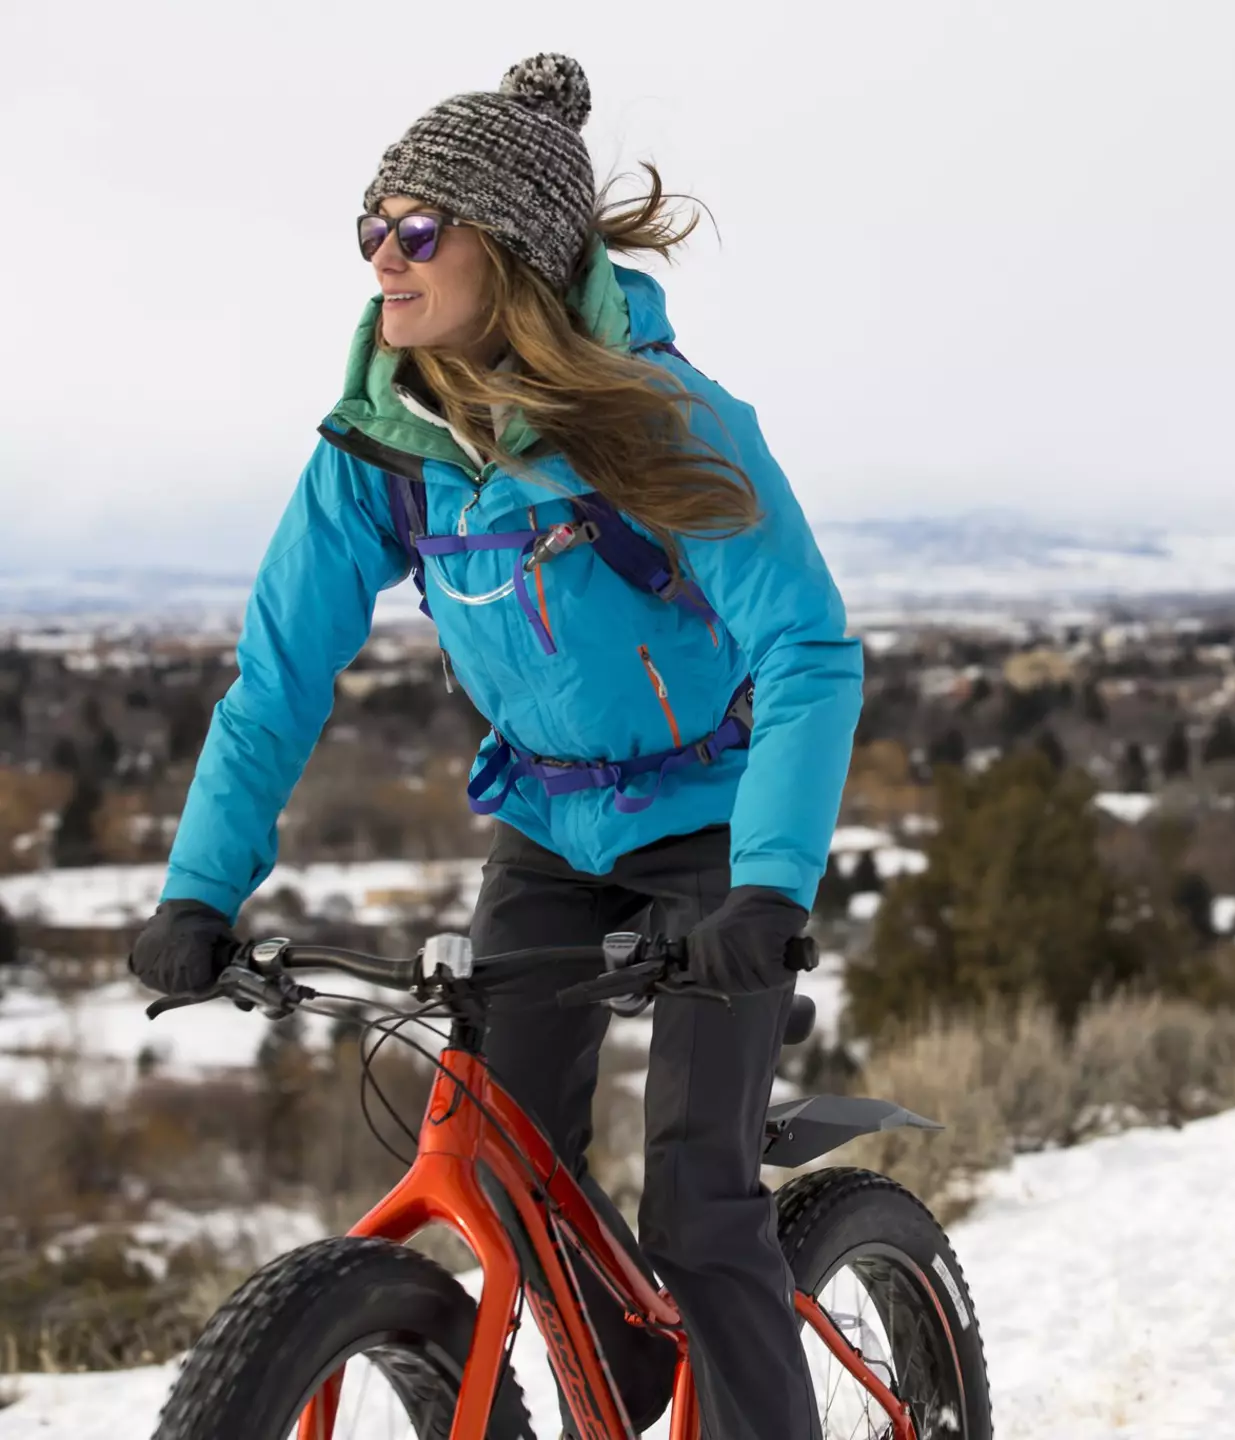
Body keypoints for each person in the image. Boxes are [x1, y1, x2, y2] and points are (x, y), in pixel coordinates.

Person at [125, 54, 860, 1439]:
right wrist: (198, 893)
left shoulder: (665, 420)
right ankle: (625, 1387)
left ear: (512, 254)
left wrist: (767, 889)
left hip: (711, 821)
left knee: (699, 1203)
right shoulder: (379, 447)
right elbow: (278, 674)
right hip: (547, 828)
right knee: (519, 1179)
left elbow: (806, 650)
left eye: (416, 233)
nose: (380, 266)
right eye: (368, 232)